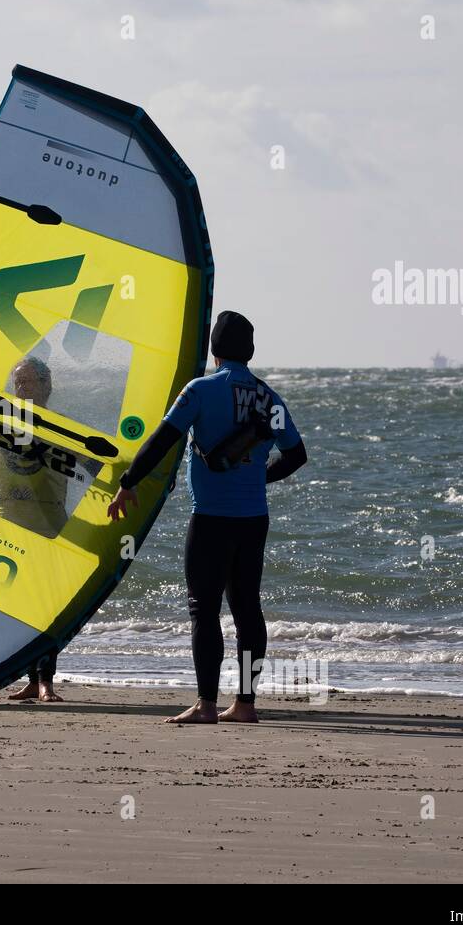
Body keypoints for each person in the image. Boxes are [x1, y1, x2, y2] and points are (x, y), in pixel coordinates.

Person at [107, 310, 307, 723]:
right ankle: (246, 705)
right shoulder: (270, 398)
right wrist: (258, 480)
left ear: (214, 350)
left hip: (211, 518)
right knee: (247, 608)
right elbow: (296, 455)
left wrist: (128, 483)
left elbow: (162, 441)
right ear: (250, 351)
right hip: (254, 518)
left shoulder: (200, 390)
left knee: (204, 609)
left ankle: (206, 705)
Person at [0, 357, 68, 703]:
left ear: (46, 386)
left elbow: (92, 464)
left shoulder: (60, 427)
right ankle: (30, 679)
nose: (20, 389)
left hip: (47, 526)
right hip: (8, 521)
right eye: (16, 382)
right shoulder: (2, 420)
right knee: (18, 607)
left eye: (28, 382)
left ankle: (46, 682)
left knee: (45, 607)